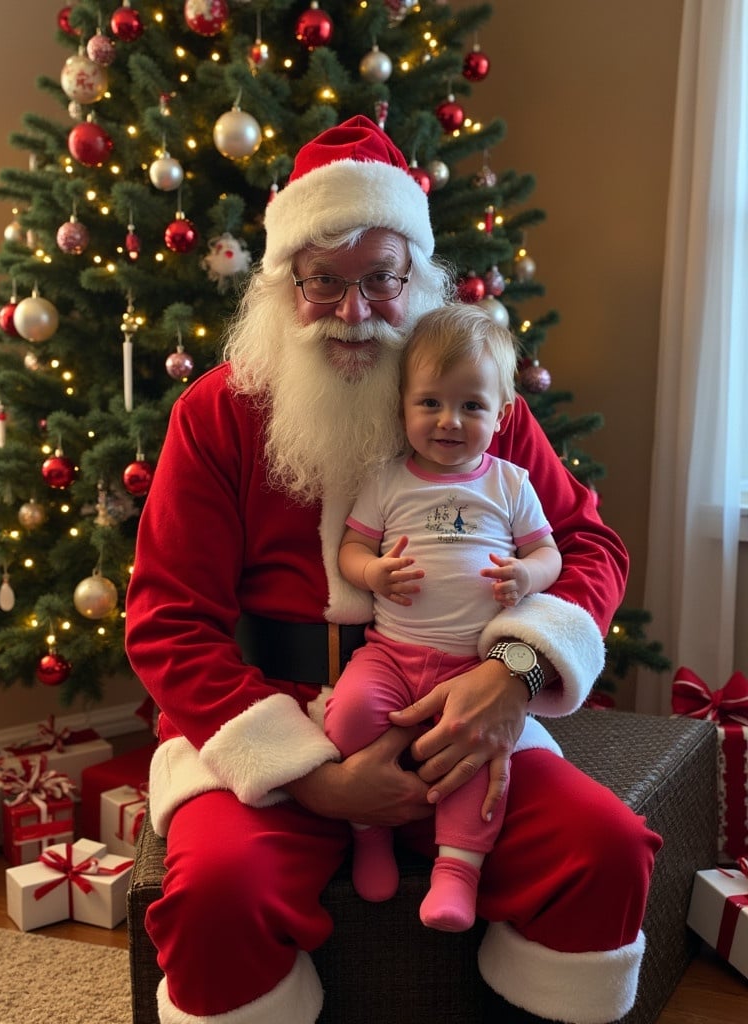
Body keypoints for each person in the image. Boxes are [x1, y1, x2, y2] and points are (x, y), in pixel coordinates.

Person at [125, 114, 662, 1024]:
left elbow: (589, 548)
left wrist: (515, 674)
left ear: (415, 277)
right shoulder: (217, 414)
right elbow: (167, 621)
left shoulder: (471, 397)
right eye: (323, 282)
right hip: (274, 719)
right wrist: (309, 772)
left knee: (604, 850)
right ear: (281, 286)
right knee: (218, 894)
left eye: (380, 278)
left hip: (464, 710)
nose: (353, 311)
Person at [324, 302, 563, 932]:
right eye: (429, 403)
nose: (449, 421)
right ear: (402, 405)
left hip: (475, 663)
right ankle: (368, 833)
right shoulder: (388, 481)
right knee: (347, 715)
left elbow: (549, 552)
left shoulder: (509, 484)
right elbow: (351, 548)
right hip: (391, 653)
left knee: (479, 762)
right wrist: (372, 573)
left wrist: (526, 575)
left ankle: (457, 873)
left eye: (472, 407)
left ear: (502, 414)